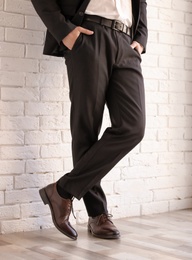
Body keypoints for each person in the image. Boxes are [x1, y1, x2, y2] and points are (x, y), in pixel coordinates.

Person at [31, 0, 148, 240]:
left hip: (127, 42)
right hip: (88, 35)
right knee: (86, 128)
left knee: (133, 127)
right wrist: (64, 31)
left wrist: (142, 37)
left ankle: (62, 190)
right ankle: (97, 214)